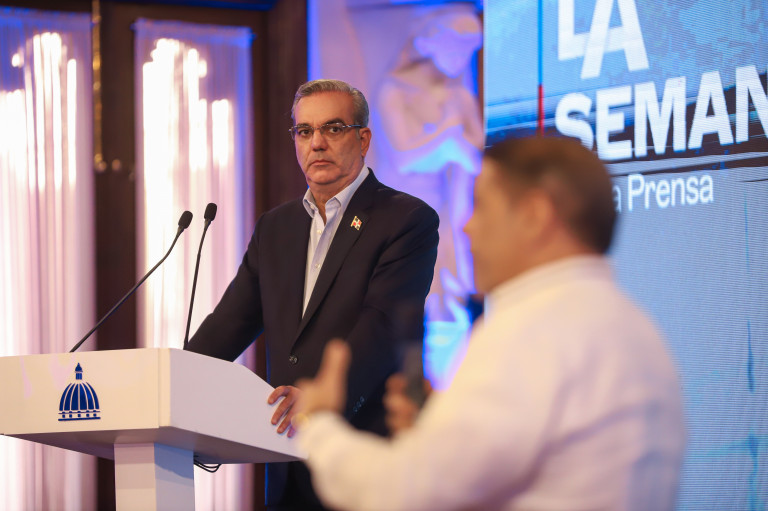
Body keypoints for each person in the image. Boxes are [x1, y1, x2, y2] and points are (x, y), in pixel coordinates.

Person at [292, 136, 686, 511]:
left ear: (534, 215)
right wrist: (439, 431)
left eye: (480, 205)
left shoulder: (529, 332)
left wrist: (319, 423)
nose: (467, 226)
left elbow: (403, 494)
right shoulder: (636, 328)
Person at [186, 79, 439, 510]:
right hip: (285, 458)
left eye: (333, 128)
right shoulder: (276, 228)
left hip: (364, 454)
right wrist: (174, 381)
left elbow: (382, 326)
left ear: (363, 139)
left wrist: (322, 395)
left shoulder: (406, 219)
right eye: (304, 131)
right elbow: (229, 324)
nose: (317, 143)